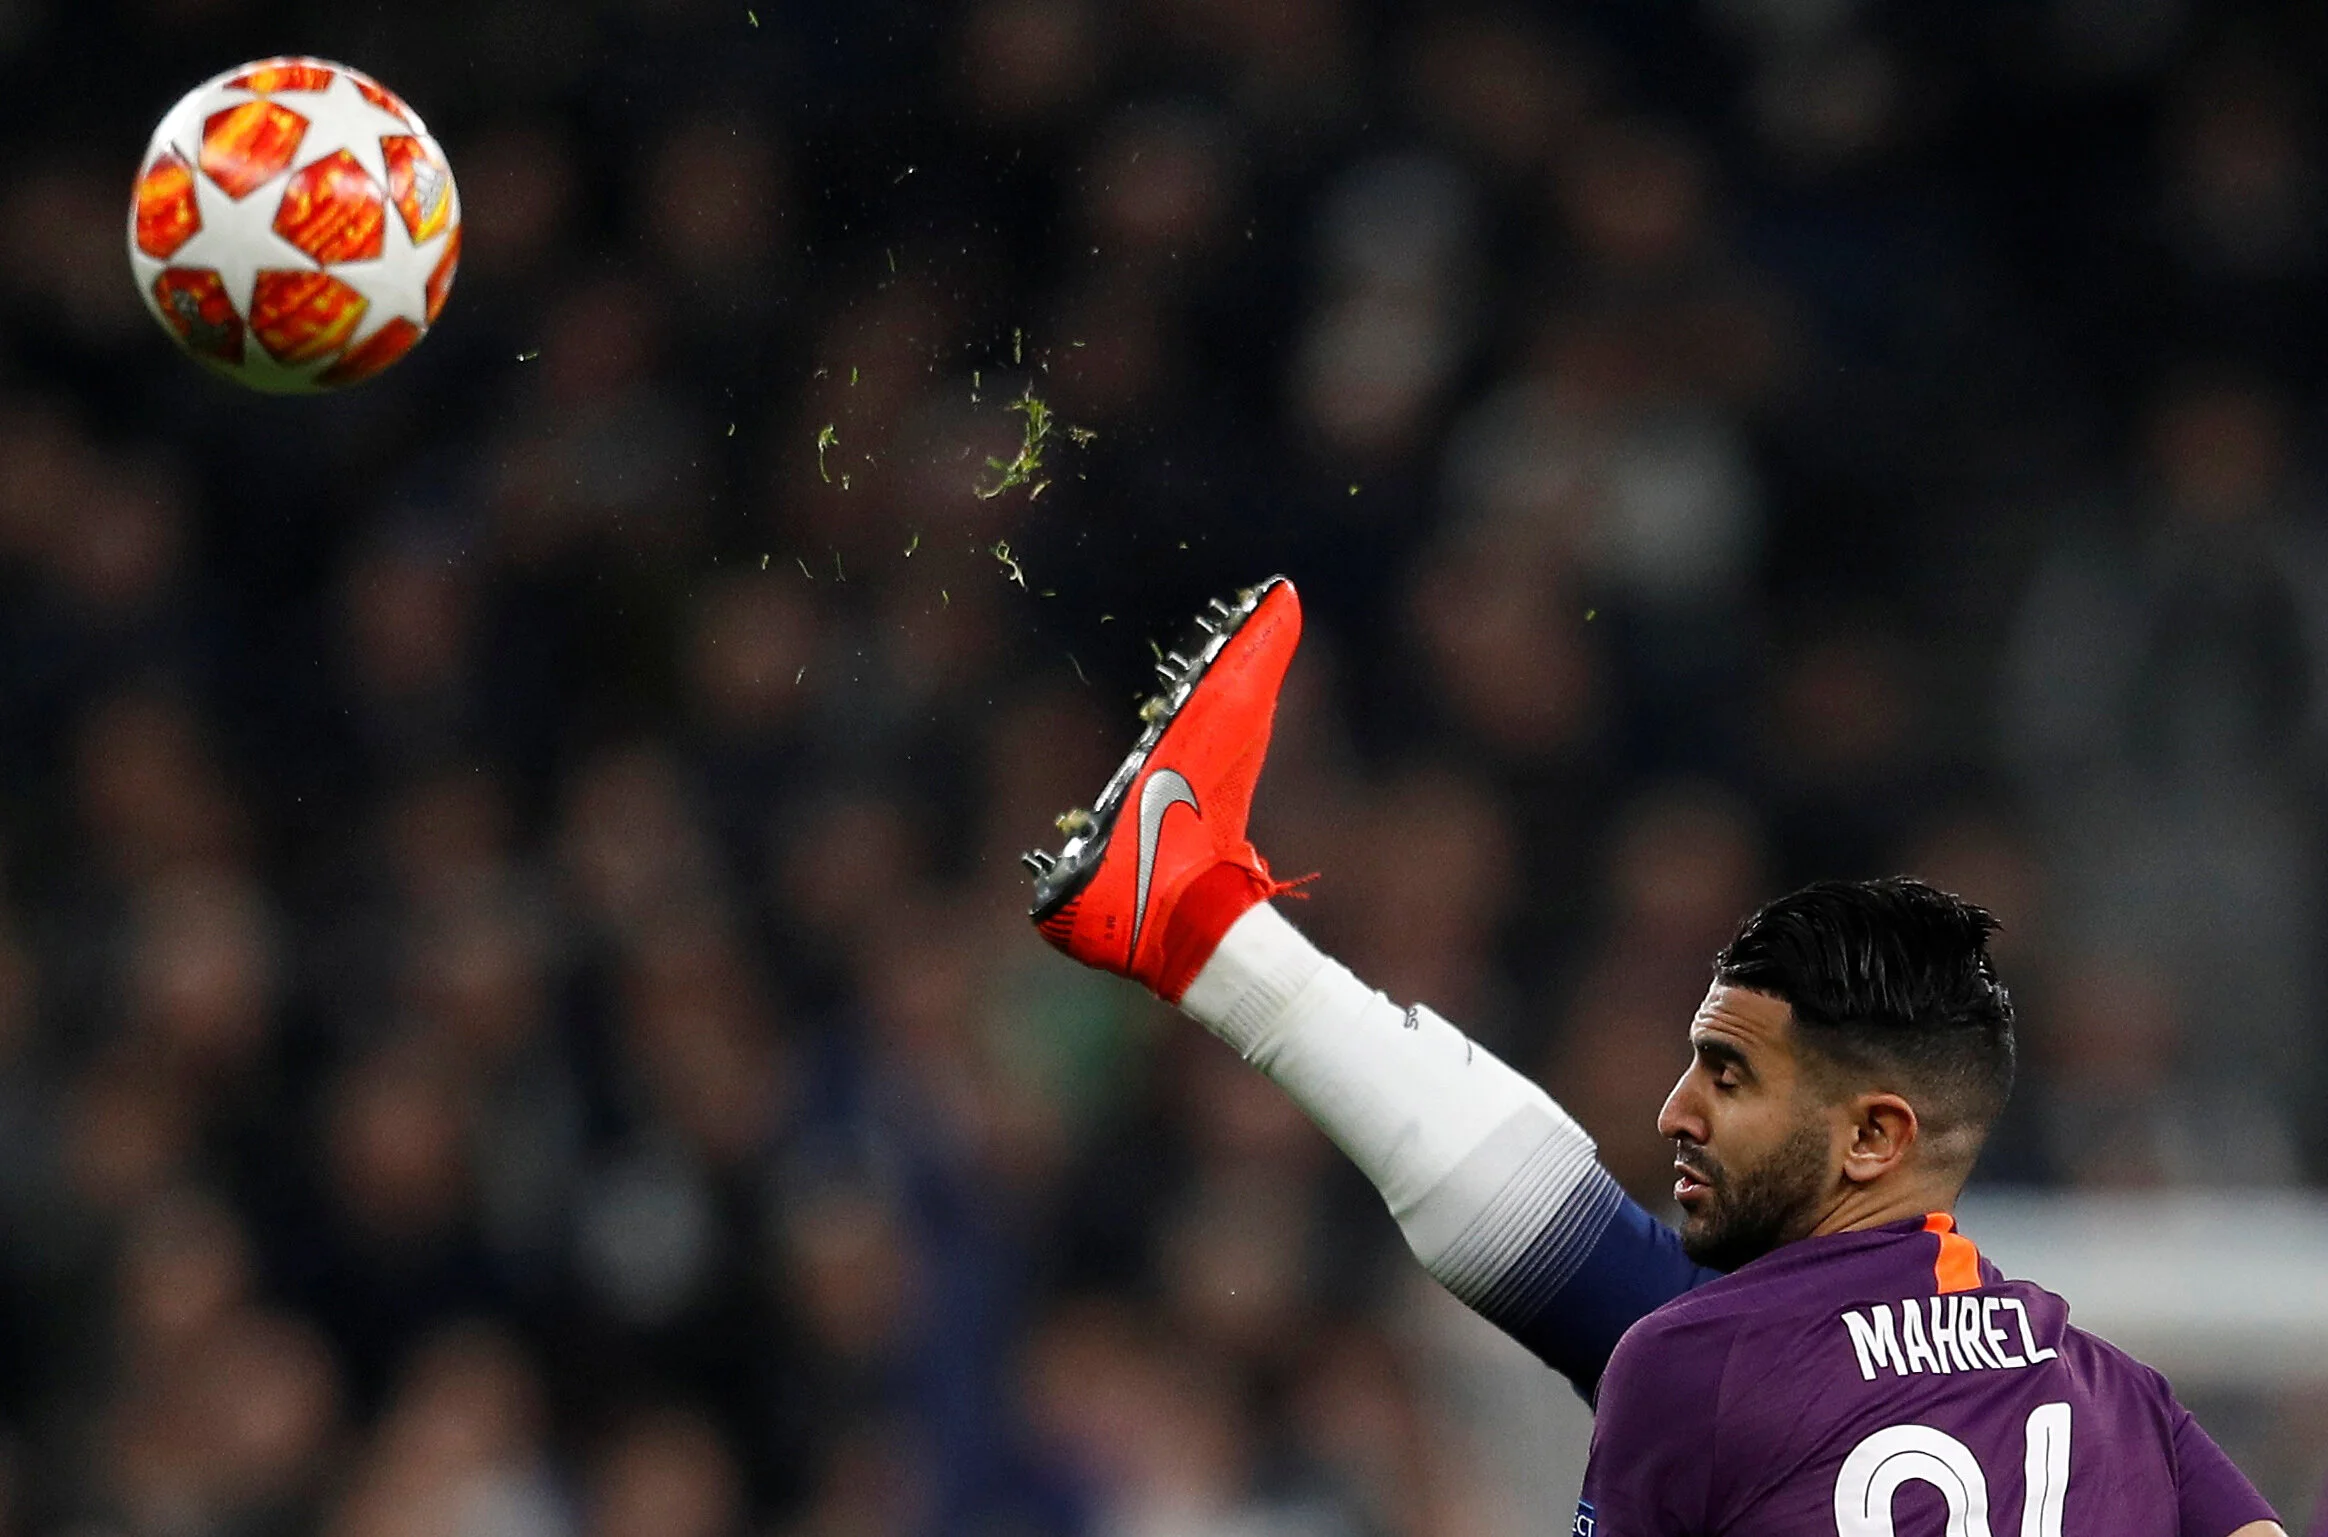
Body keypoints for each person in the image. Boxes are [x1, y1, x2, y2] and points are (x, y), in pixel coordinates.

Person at [1021, 577, 2284, 1536]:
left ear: (1877, 1135)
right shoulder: (2104, 1390)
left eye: (1739, 1081)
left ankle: (1193, 925)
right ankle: (1191, 923)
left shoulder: (1714, 1372)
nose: (1680, 1110)